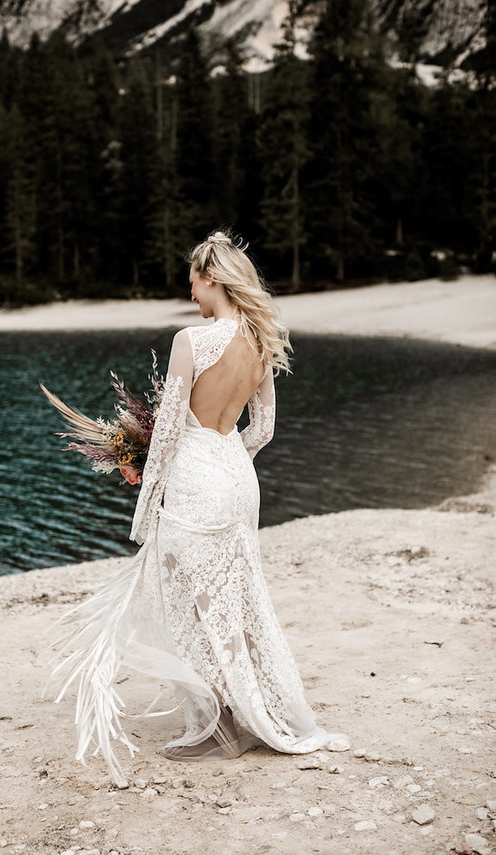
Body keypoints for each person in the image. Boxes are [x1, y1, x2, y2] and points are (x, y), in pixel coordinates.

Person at [43, 229, 349, 788]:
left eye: (192, 279)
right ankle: (242, 714)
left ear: (212, 278)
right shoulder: (260, 340)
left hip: (196, 483)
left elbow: (165, 435)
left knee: (192, 605)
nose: (189, 290)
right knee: (235, 599)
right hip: (237, 480)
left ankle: (220, 729)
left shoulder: (190, 340)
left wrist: (148, 494)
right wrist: (228, 456)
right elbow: (264, 428)